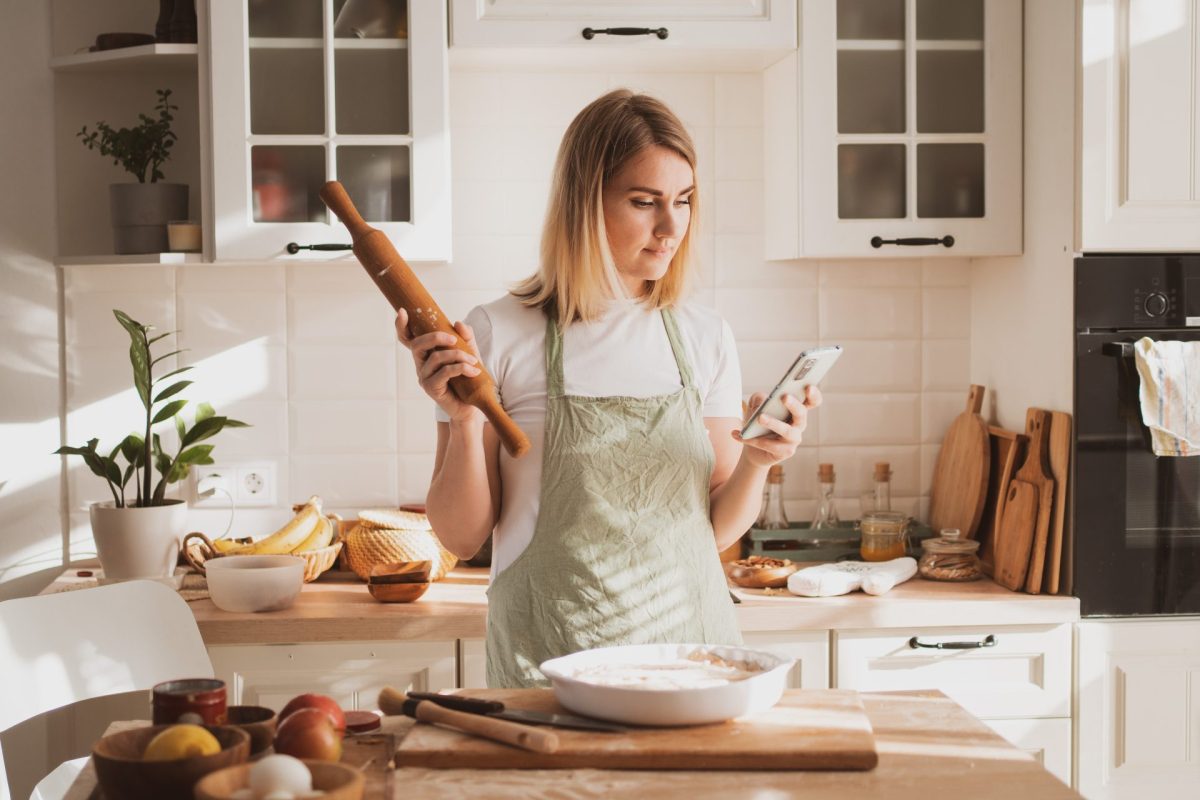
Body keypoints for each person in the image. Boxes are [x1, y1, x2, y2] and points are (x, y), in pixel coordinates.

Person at [396, 89, 821, 688]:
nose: (672, 226)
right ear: (584, 204)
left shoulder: (704, 336)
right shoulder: (499, 332)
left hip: (691, 657)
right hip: (549, 660)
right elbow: (461, 538)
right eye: (645, 202)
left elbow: (714, 529)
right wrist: (464, 420)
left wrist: (758, 461)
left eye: (684, 200)